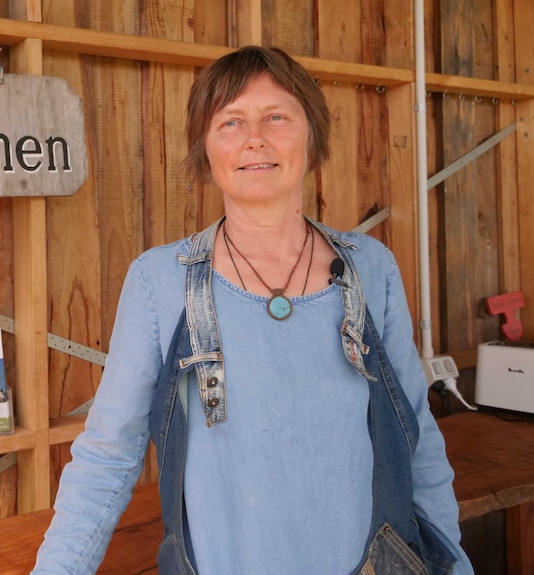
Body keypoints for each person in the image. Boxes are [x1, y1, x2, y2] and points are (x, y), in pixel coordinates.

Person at [31, 45, 474, 575]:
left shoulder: (370, 268)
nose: (254, 138)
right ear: (206, 148)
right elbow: (107, 457)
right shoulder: (160, 281)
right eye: (230, 122)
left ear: (312, 136)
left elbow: (416, 438)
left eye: (277, 117)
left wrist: (453, 561)